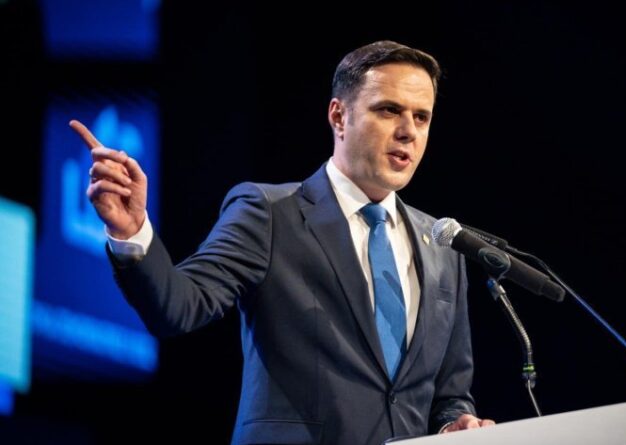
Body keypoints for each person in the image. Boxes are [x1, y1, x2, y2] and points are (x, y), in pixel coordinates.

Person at [71, 40, 494, 445]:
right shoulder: (270, 214)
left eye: (422, 117)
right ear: (339, 116)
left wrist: (453, 426)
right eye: (389, 110)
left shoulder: (442, 245)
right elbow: (178, 306)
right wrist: (132, 231)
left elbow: (449, 394)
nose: (408, 132)